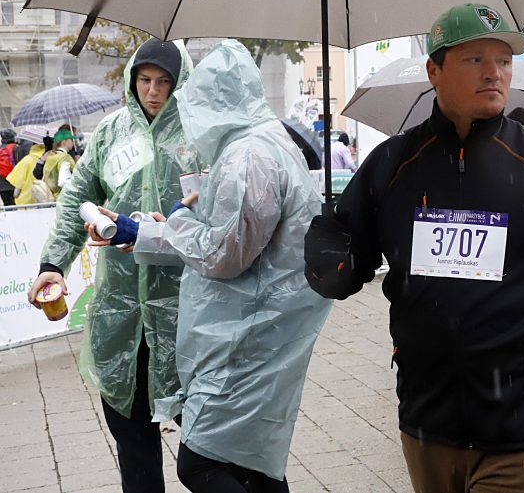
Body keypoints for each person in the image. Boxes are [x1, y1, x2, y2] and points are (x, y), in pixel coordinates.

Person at [305, 3, 524, 493]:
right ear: (434, 71)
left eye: (504, 60)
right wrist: (329, 255)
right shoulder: (393, 165)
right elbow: (344, 243)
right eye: (474, 59)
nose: (495, 73)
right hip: (428, 424)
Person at [89, 40, 332, 493]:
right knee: (253, 465)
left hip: (247, 335)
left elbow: (223, 254)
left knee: (201, 464)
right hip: (262, 328)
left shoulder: (248, 157)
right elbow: (226, 234)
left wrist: (178, 219)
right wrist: (142, 232)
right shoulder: (265, 142)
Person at [27, 39, 200, 493]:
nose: (154, 91)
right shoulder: (109, 133)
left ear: (179, 83)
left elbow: (219, 214)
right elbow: (75, 201)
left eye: (164, 81)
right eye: (145, 80)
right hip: (120, 315)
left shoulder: (198, 135)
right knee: (133, 443)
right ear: (132, 80)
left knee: (205, 449)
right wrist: (53, 264)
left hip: (184, 313)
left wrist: (179, 225)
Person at [32, 124, 77, 200]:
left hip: (50, 199)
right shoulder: (64, 157)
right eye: (71, 140)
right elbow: (63, 181)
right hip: (64, 199)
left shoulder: (50, 156)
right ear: (64, 141)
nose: (74, 142)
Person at [7, 136, 49, 204]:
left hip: (25, 200)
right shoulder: (48, 158)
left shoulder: (26, 160)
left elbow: (18, 184)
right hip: (43, 196)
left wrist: (16, 193)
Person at [0, 128, 16, 206]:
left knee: (7, 206)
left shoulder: (0, 149)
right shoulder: (16, 148)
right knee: (16, 206)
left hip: (2, 184)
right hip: (15, 182)